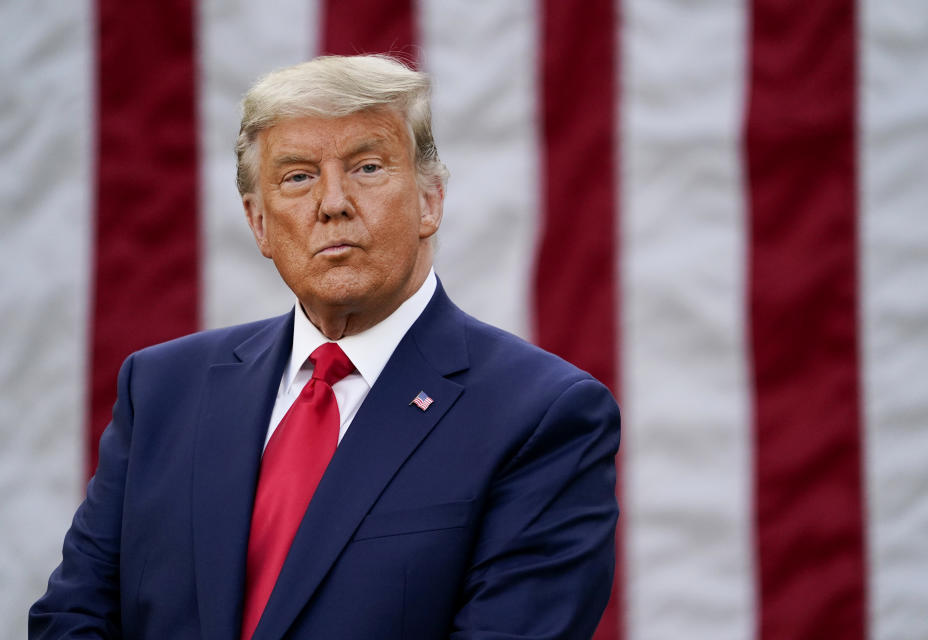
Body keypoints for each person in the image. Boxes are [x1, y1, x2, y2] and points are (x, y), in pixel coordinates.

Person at [30, 55, 620, 640]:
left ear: (430, 200)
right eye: (298, 176)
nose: (332, 202)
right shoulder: (160, 389)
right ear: (259, 223)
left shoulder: (543, 415)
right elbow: (73, 618)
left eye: (367, 167)